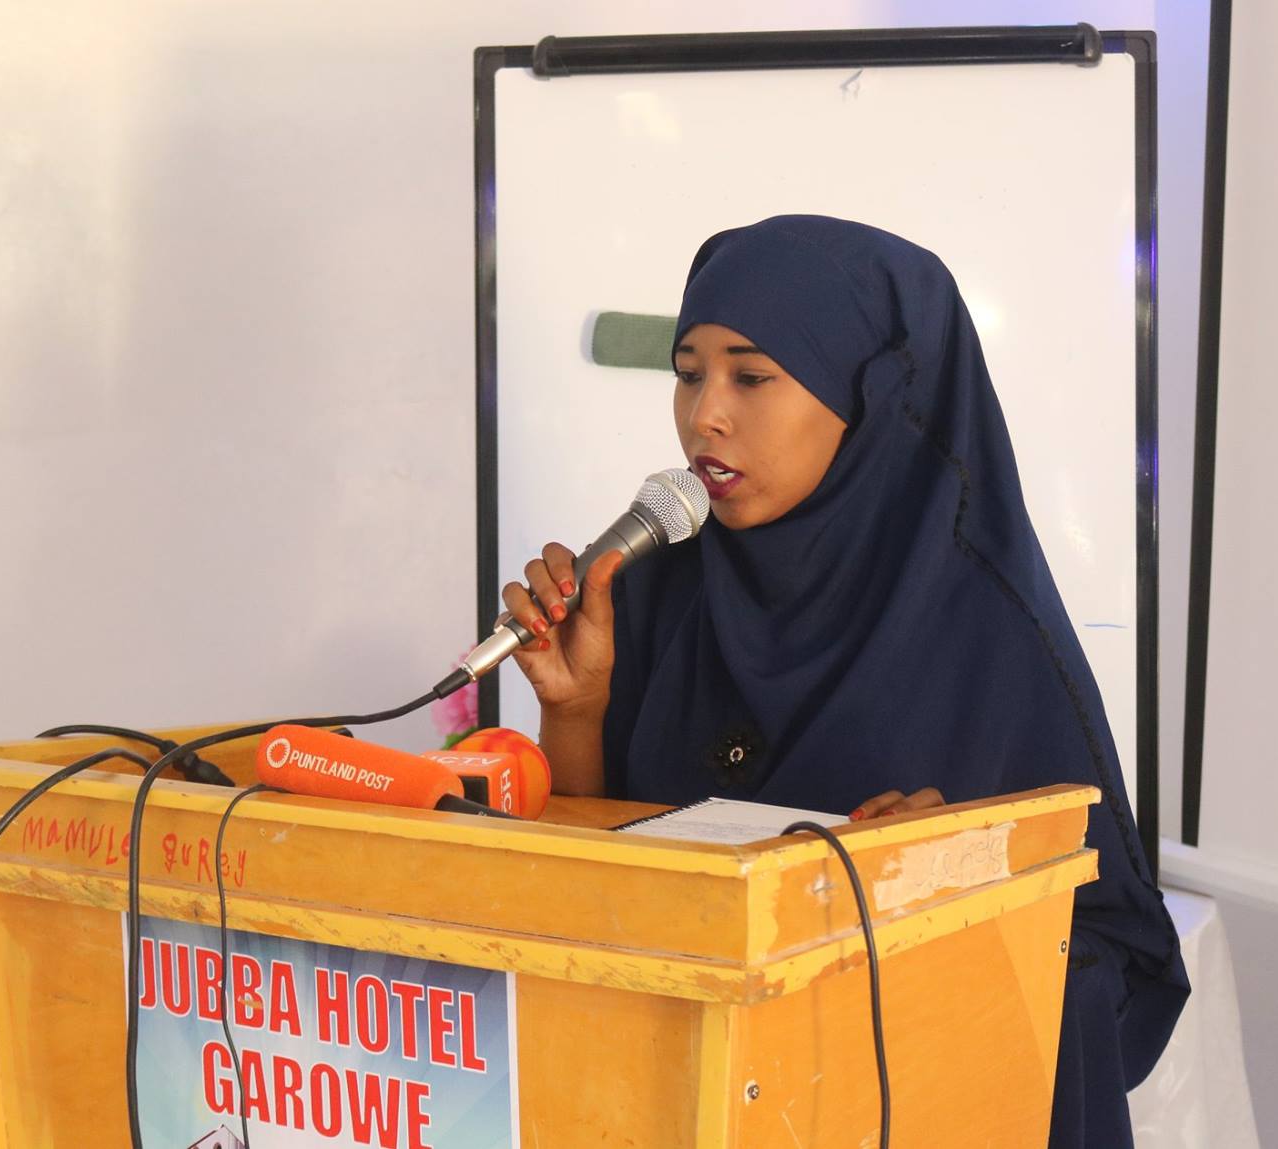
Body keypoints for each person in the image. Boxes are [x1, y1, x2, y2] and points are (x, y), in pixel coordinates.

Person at [500, 215, 1187, 1147]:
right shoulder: (653, 587)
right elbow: (591, 886)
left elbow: (1112, 961)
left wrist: (949, 876)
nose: (704, 415)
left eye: (751, 376)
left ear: (870, 399)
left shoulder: (984, 627)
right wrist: (574, 709)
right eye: (688, 372)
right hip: (666, 1090)